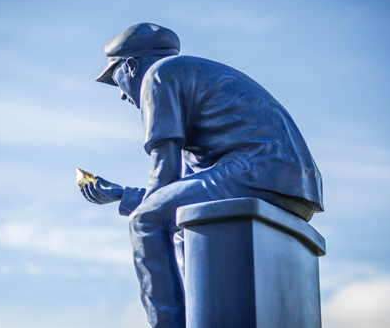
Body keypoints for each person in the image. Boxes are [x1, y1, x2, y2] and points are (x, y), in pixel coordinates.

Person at [81, 23, 324, 328]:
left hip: (257, 171)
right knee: (182, 222)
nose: (120, 95)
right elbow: (176, 192)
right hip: (292, 186)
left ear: (130, 66)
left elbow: (164, 177)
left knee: (144, 222)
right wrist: (123, 196)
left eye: (116, 80)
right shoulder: (191, 79)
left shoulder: (158, 76)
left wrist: (141, 209)